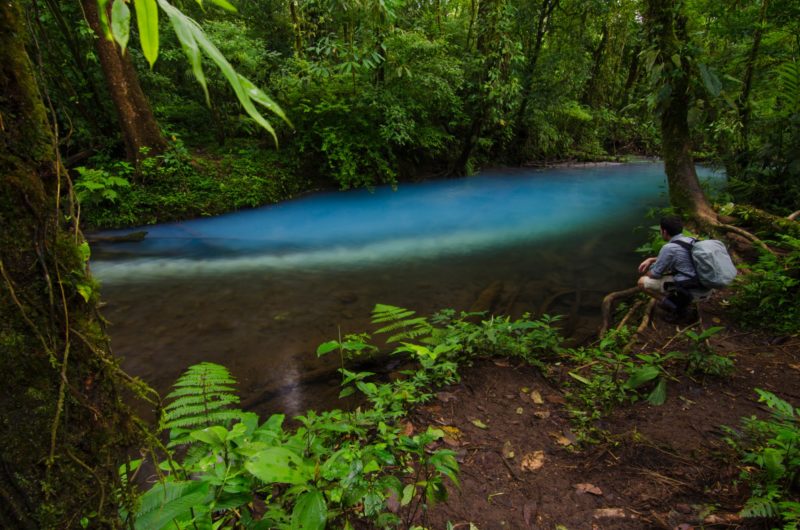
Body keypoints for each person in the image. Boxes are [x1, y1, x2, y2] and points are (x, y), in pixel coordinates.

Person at [637, 215, 706, 321]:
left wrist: (646, 273)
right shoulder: (691, 240)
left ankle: (677, 309)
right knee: (671, 275)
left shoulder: (668, 248)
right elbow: (681, 256)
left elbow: (655, 274)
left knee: (642, 282)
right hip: (706, 286)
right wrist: (652, 259)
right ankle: (678, 300)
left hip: (693, 290)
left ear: (664, 232)